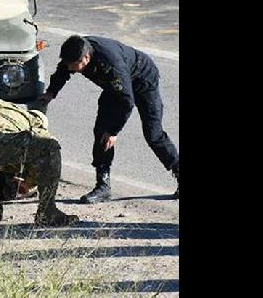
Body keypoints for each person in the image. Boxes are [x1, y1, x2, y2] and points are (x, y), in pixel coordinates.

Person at [37, 35, 179, 202]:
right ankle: (102, 186)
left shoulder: (110, 63)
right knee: (101, 132)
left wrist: (114, 131)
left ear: (86, 58)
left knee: (153, 134)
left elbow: (127, 101)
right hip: (115, 87)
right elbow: (63, 70)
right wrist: (51, 92)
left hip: (143, 80)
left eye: (73, 65)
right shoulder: (76, 49)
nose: (70, 67)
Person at [0, 83, 80, 229]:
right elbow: (41, 147)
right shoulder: (33, 122)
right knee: (49, 146)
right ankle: (47, 213)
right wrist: (29, 183)